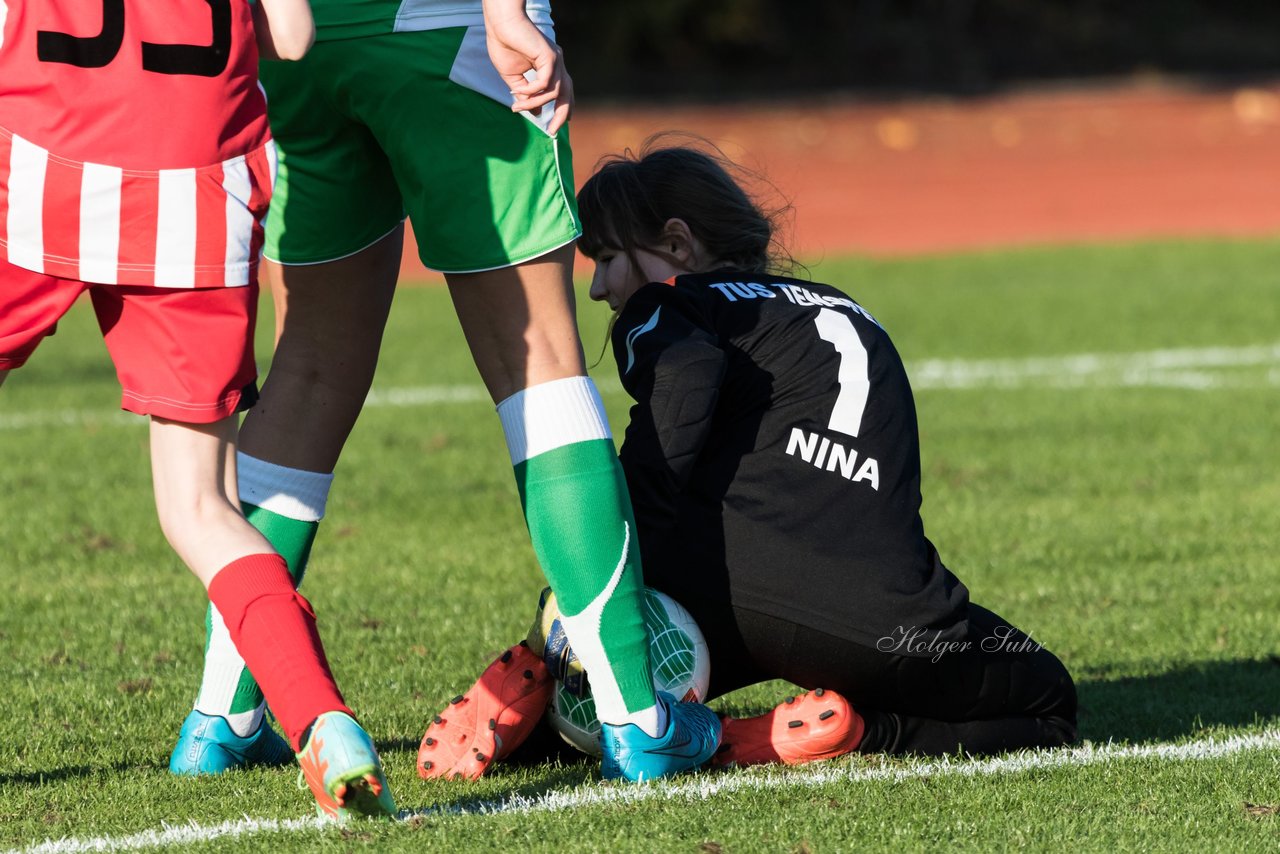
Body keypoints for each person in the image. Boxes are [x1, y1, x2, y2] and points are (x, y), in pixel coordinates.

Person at [169, 0, 720, 784]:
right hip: (444, 25)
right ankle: (638, 718)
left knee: (309, 366)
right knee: (541, 366)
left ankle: (223, 713)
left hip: (298, 44)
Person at [421, 137, 1078, 773]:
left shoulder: (672, 302)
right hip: (892, 621)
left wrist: (605, 572)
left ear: (676, 243)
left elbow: (686, 369)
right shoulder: (849, 310)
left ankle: (551, 679)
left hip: (725, 601)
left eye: (608, 258)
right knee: (1048, 700)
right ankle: (860, 731)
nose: (598, 289)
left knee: (621, 688)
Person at [0, 0, 396, 820]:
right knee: (200, 507)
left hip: (39, 170)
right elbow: (293, 37)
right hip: (196, 193)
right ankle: (323, 720)